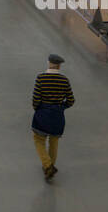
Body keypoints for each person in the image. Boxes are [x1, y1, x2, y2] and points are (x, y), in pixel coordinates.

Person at [31, 53, 75, 181]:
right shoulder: (64, 80)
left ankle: (48, 165)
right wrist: (61, 107)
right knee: (54, 142)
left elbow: (36, 99)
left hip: (42, 115)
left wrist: (38, 109)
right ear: (59, 66)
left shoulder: (40, 78)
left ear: (49, 63)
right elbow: (71, 100)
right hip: (57, 116)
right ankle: (49, 167)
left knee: (39, 140)